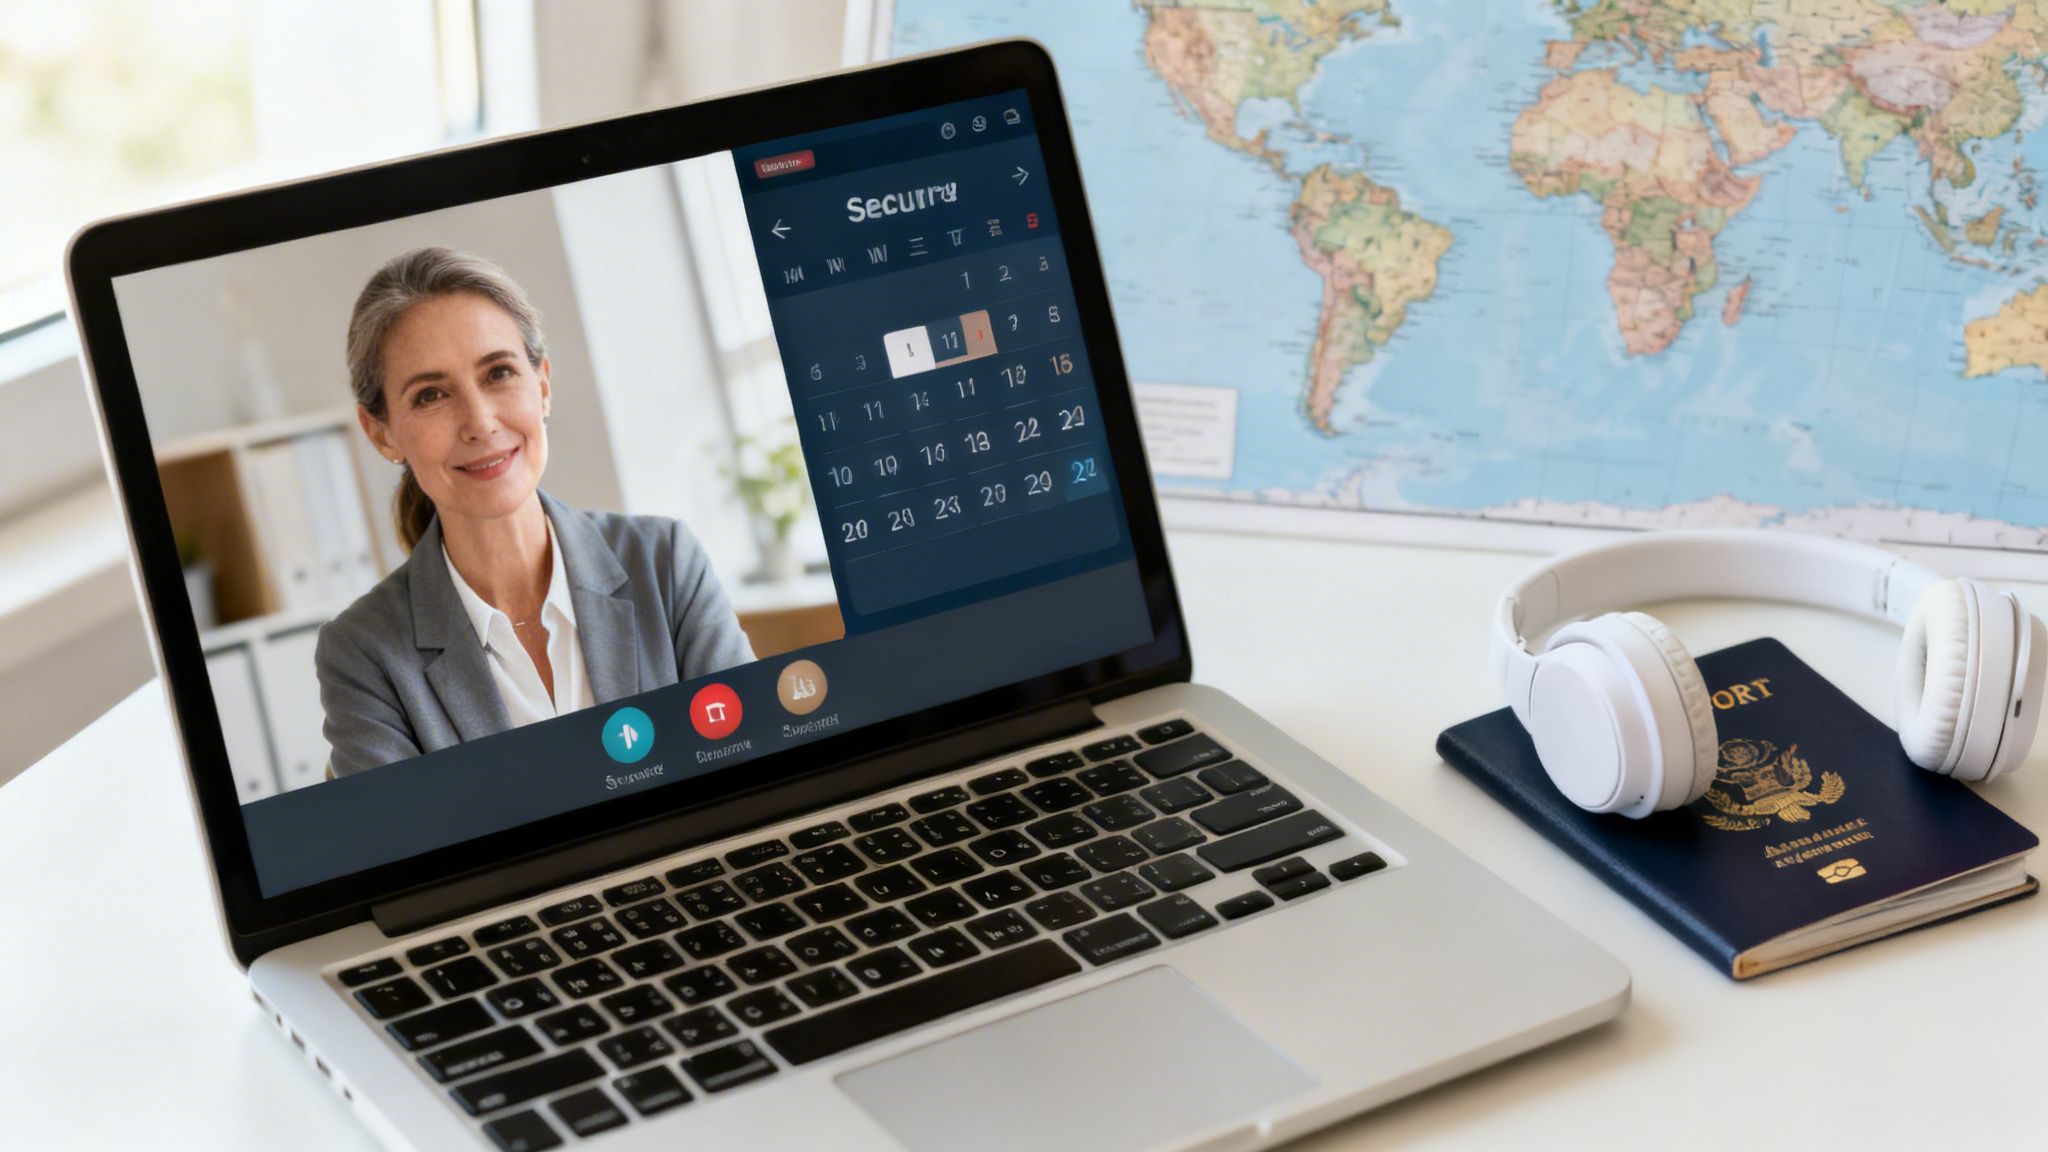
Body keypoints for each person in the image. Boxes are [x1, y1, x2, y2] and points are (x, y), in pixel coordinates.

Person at [316, 246, 754, 777]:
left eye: (498, 373)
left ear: (542, 385)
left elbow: (753, 764)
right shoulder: (362, 652)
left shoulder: (665, 561)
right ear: (381, 432)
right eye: (431, 395)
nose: (479, 422)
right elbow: (407, 850)